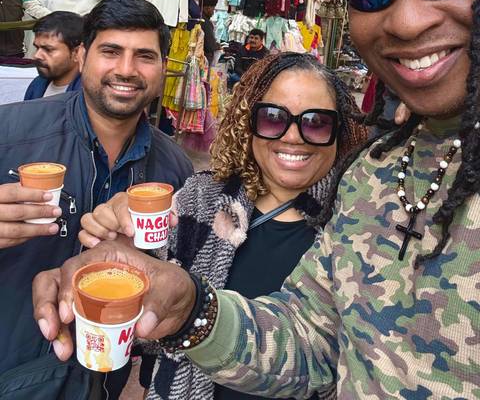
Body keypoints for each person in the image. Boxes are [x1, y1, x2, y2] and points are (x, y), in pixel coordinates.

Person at [33, 0, 480, 398]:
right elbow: (315, 341)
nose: (408, 20)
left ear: (341, 134)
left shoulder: (334, 198)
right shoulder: (377, 177)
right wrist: (190, 305)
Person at [78, 52, 368, 399]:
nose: (293, 137)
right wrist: (125, 251)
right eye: (273, 118)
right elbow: (148, 333)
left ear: (341, 132)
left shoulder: (359, 225)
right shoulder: (198, 201)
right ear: (248, 123)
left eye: (317, 122)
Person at [0, 0, 193, 395]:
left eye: (144, 56)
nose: (126, 70)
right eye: (111, 51)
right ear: (83, 55)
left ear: (161, 69)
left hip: (102, 380)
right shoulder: (11, 132)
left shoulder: (174, 169)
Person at [24, 11, 84, 99]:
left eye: (48, 50)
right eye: (37, 48)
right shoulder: (36, 85)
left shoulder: (90, 97)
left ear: (77, 53)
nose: (37, 55)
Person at [201, 0, 220, 66]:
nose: (213, 11)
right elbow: (210, 45)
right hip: (203, 58)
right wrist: (217, 46)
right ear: (207, 8)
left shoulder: (200, 18)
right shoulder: (205, 22)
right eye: (213, 8)